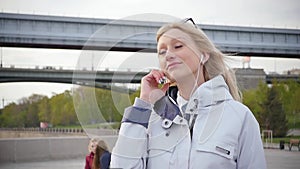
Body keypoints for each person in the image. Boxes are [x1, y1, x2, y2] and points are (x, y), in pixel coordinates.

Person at [110, 18, 267, 169]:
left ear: (204, 55)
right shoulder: (152, 119)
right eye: (162, 52)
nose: (168, 55)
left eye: (178, 46)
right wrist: (144, 102)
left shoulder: (239, 117)